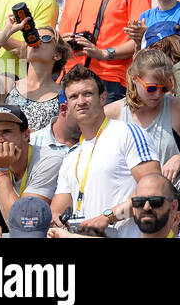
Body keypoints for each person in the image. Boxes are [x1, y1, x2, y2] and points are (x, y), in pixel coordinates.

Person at [104, 49, 180, 221]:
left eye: (165, 88)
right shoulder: (112, 113)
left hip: (174, 210)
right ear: (134, 79)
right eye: (151, 88)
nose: (158, 94)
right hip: (127, 211)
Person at [50, 66, 160, 231]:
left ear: (103, 98)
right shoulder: (71, 157)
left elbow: (153, 190)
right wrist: (56, 219)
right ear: (67, 105)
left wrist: (109, 217)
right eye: (73, 96)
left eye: (87, 94)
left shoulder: (128, 133)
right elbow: (58, 208)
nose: (80, 101)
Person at [0, 105, 62, 238]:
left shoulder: (48, 160)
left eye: (6, 132)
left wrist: (1, 171)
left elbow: (24, 222)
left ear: (26, 134)